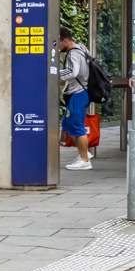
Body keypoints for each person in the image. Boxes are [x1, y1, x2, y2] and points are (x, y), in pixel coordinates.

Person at [59, 29, 92, 171]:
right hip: (80, 92)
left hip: (78, 93)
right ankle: (83, 154)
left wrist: (54, 73)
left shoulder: (73, 53)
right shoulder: (82, 48)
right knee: (68, 124)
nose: (58, 47)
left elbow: (73, 72)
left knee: (77, 125)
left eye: (58, 44)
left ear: (65, 41)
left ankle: (84, 159)